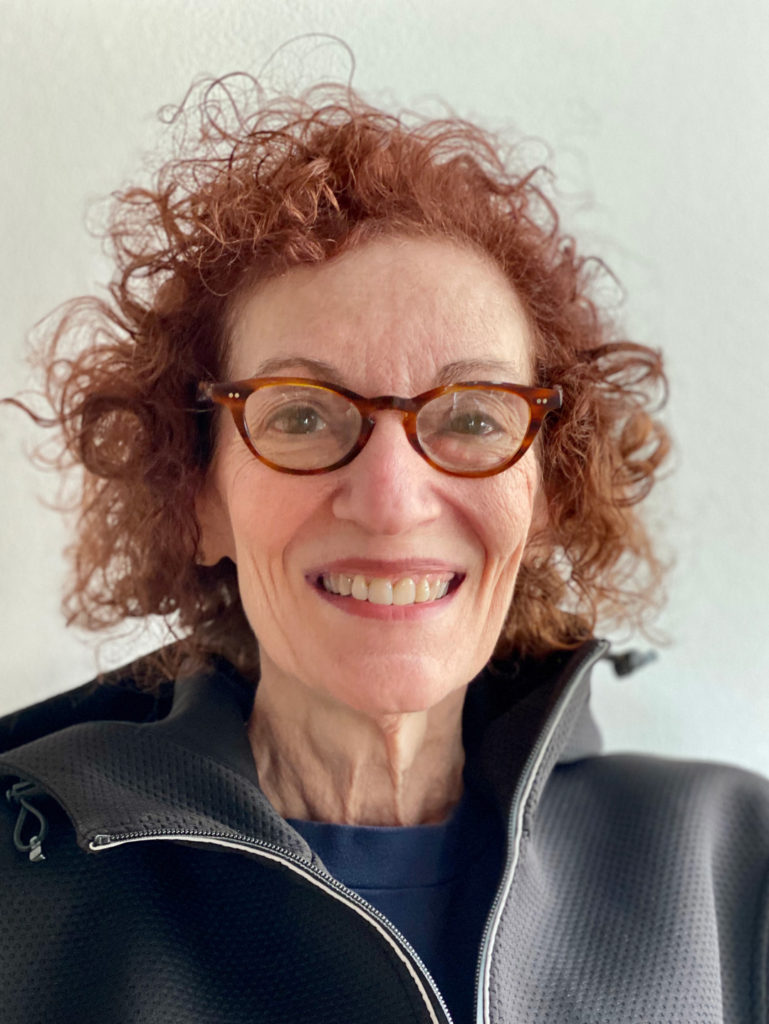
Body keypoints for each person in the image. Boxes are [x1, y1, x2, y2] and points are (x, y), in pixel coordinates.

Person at [1, 75, 767, 1024]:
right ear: (197, 497)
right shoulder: (22, 889)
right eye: (303, 414)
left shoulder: (737, 865)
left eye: (474, 416)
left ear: (546, 497)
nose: (393, 502)